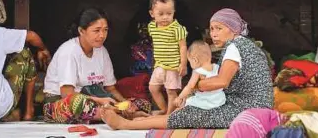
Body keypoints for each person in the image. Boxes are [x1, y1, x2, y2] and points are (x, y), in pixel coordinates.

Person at [100, 8, 273, 130]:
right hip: (259, 106)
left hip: (247, 109)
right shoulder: (247, 46)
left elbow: (222, 81)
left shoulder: (234, 47)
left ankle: (125, 125)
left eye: (219, 28)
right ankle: (149, 119)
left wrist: (196, 87)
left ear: (234, 29)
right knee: (191, 108)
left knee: (190, 114)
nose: (213, 34)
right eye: (212, 29)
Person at [43, 8, 150, 124]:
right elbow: (67, 94)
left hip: (96, 100)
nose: (102, 35)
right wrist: (101, 100)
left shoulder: (102, 51)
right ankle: (117, 115)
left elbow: (110, 88)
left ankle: (117, 113)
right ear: (81, 31)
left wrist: (125, 103)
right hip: (61, 104)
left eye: (105, 30)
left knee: (142, 104)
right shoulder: (69, 51)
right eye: (97, 30)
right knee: (78, 103)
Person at [147, 0, 188, 115]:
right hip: (159, 65)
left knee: (171, 91)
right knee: (153, 88)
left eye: (169, 14)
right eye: (161, 14)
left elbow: (183, 47)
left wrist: (183, 64)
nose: (165, 17)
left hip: (173, 67)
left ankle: (169, 115)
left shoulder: (177, 28)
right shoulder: (151, 27)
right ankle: (164, 109)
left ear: (174, 12)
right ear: (152, 14)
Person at [174, 40, 226, 110]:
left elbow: (190, 87)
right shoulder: (217, 67)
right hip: (219, 100)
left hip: (206, 101)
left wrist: (180, 97)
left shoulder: (198, 71)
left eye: (190, 62)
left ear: (195, 60)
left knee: (188, 101)